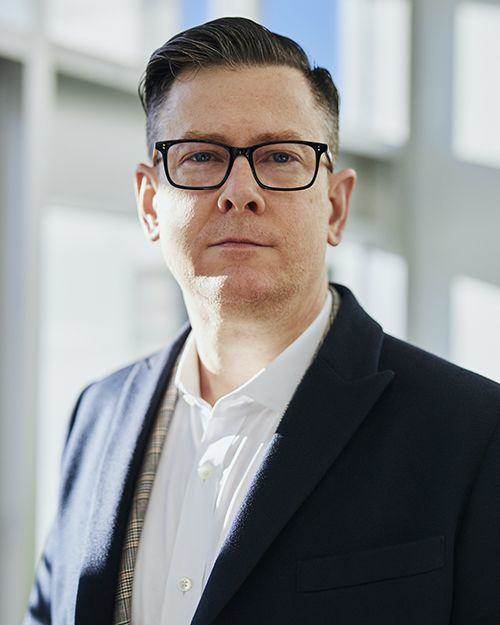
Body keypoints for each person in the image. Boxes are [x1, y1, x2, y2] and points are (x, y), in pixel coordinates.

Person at [23, 16, 500, 625]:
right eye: (201, 156)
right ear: (150, 205)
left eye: (279, 157)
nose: (240, 191)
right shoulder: (97, 414)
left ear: (335, 206)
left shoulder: (474, 433)